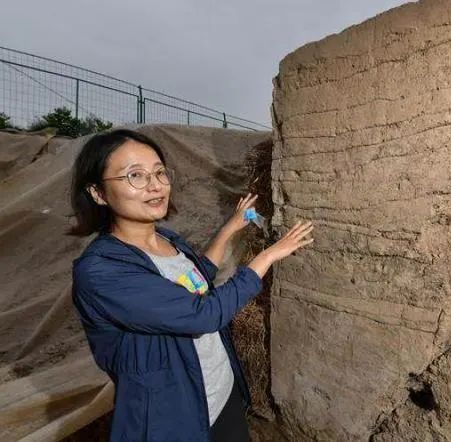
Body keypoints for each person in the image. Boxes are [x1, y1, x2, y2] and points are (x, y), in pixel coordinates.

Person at [69, 129, 313, 442]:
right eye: (135, 175)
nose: (155, 185)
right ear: (98, 193)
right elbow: (202, 314)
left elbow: (197, 279)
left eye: (159, 172)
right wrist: (268, 256)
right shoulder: (103, 272)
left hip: (220, 391)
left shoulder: (166, 239)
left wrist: (230, 228)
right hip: (173, 416)